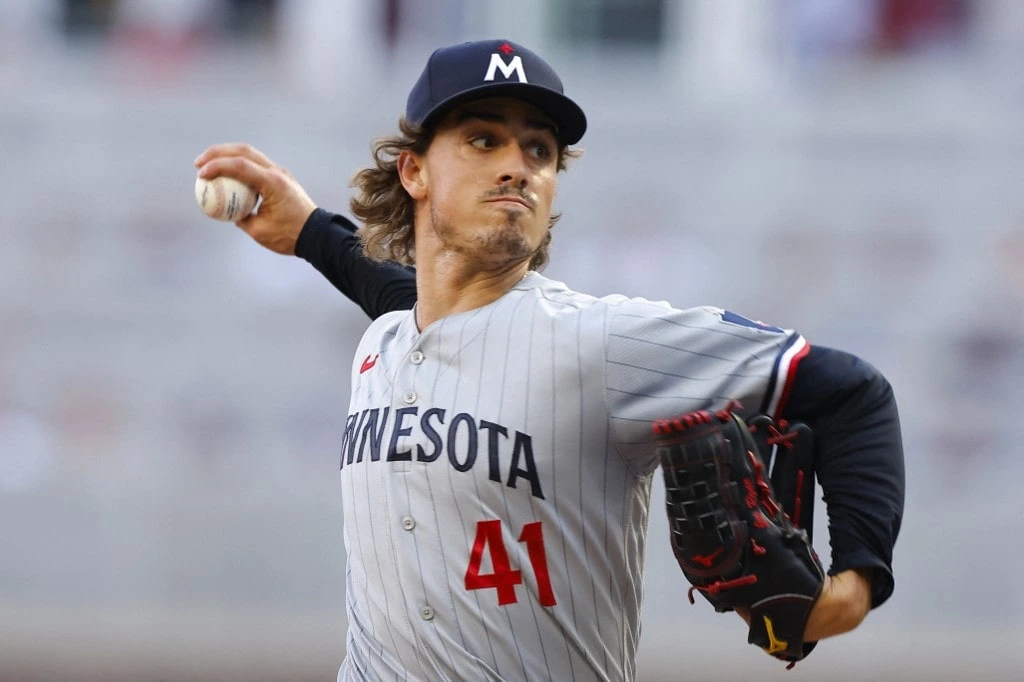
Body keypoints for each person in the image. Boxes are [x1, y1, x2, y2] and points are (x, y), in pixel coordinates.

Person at [194, 39, 905, 682]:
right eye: (483, 139)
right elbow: (398, 294)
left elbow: (853, 393)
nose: (517, 167)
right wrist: (312, 232)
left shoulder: (599, 342)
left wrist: (855, 584)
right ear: (412, 170)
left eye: (538, 150)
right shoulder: (387, 338)